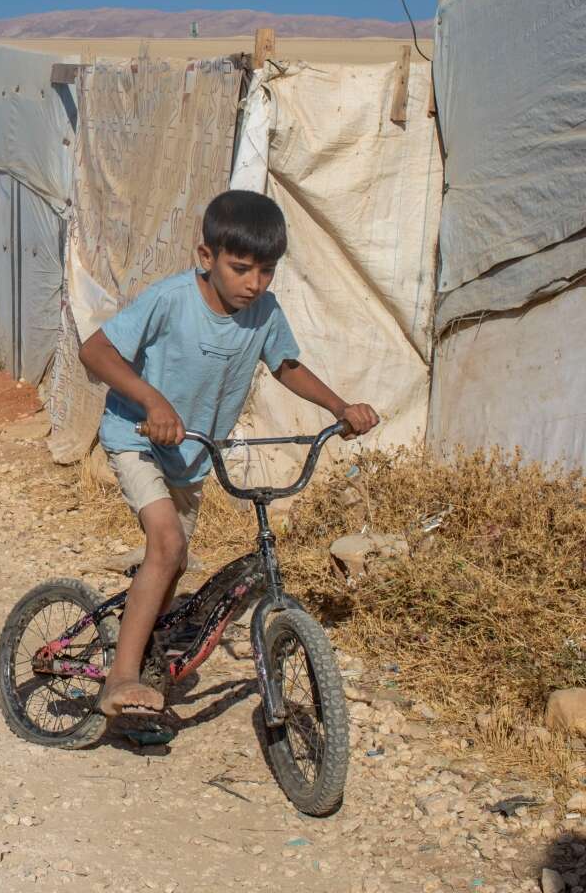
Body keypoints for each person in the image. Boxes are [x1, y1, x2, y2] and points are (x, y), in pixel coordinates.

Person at [78, 189, 379, 718]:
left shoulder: (263, 312)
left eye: (267, 271)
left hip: (192, 454)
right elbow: (94, 350)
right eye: (241, 268)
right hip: (137, 438)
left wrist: (339, 406)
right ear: (206, 257)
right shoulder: (171, 300)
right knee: (168, 545)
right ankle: (120, 676)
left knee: (172, 564)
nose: (254, 283)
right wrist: (153, 400)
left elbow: (285, 364)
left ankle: (145, 649)